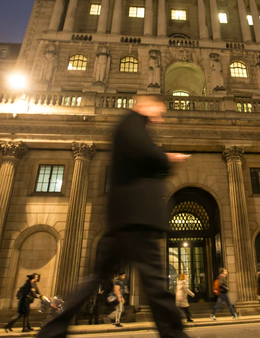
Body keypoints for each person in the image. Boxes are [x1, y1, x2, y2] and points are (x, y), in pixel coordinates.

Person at [36, 95, 191, 338]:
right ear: (145, 106)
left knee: (96, 278)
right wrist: (167, 158)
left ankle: (54, 329)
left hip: (125, 218)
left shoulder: (131, 125)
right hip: (136, 217)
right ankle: (174, 334)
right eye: (157, 111)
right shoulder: (132, 124)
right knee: (155, 282)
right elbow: (143, 154)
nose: (159, 118)